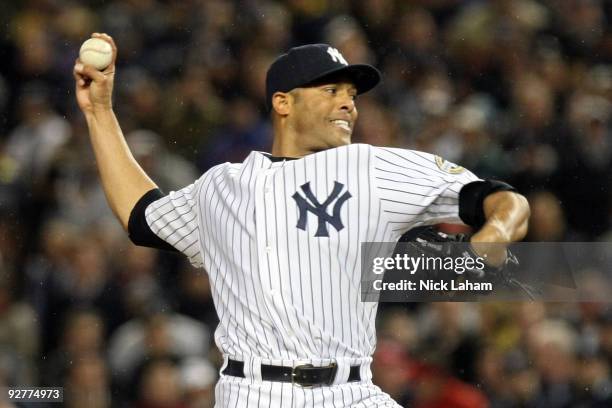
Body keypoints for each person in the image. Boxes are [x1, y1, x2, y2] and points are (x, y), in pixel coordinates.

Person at [73, 33, 530, 407]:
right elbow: (142, 216)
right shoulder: (222, 186)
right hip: (253, 393)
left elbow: (501, 199)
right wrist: (100, 112)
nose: (349, 103)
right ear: (283, 103)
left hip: (354, 392)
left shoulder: (373, 168)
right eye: (331, 90)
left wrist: (496, 232)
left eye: (351, 94)